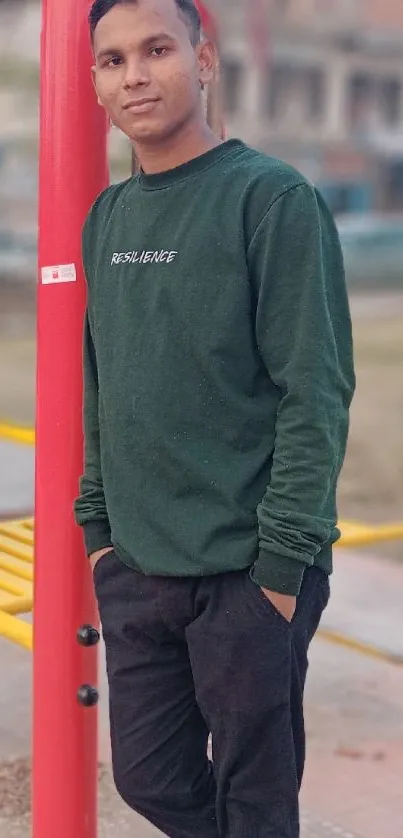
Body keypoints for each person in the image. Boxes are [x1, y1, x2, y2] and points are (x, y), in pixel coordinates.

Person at [74, 0, 355, 835]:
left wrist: (278, 568)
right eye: (112, 59)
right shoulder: (108, 218)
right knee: (149, 778)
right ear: (95, 82)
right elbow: (103, 379)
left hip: (246, 573)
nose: (134, 75)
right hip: (138, 569)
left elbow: (316, 389)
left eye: (155, 50)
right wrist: (99, 529)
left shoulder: (270, 199)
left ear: (201, 61)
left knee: (256, 805)